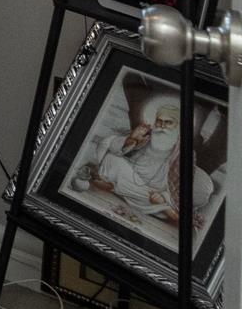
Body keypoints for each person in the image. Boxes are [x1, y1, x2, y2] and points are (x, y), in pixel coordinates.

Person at [76, 92, 213, 226]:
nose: (162, 126)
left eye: (168, 122)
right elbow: (119, 149)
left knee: (153, 197)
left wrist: (164, 196)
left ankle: (161, 205)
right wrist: (131, 139)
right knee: (111, 159)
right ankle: (162, 207)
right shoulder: (147, 135)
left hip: (157, 187)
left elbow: (178, 184)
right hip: (132, 173)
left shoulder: (183, 152)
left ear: (177, 126)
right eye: (159, 121)